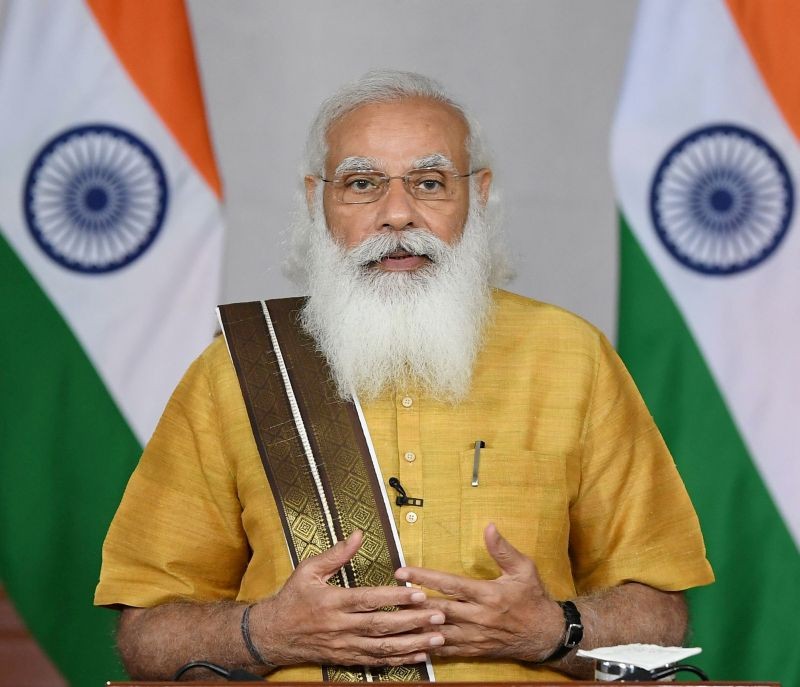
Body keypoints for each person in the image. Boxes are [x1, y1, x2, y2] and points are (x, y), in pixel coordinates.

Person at [95, 70, 714, 682]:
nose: (397, 214)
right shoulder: (240, 368)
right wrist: (269, 634)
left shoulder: (570, 354)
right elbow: (145, 634)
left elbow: (661, 611)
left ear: (479, 193)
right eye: (362, 183)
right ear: (317, 198)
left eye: (429, 182)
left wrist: (553, 630)